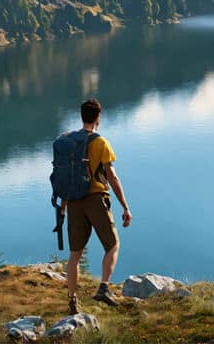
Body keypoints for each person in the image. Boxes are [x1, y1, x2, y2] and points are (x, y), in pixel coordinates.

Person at [64, 99, 132, 315]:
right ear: (98, 118)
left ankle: (72, 300)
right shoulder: (101, 143)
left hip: (74, 201)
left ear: (82, 115)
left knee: (74, 255)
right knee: (112, 245)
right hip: (95, 199)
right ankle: (103, 288)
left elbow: (65, 176)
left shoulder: (68, 141)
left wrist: (64, 205)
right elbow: (111, 176)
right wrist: (125, 206)